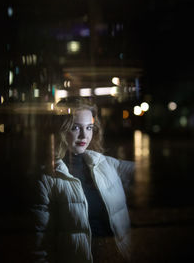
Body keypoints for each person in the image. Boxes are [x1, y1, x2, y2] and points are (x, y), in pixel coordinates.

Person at [31, 97, 134, 263]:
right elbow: (39, 245)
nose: (84, 135)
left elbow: (148, 170)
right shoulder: (47, 179)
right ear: (61, 129)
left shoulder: (105, 163)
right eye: (75, 127)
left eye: (89, 127)